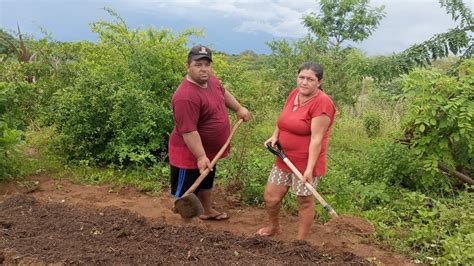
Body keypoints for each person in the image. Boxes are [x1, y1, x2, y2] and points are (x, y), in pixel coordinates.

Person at [168, 44, 250, 221]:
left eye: (207, 64)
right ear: (187, 66)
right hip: (189, 154)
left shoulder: (211, 80)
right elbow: (189, 132)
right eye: (198, 64)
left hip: (209, 151)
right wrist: (200, 156)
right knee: (186, 192)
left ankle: (206, 210)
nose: (204, 69)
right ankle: (181, 227)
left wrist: (238, 108)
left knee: (206, 182)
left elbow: (223, 93)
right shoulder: (185, 97)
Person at [257, 62, 336, 240]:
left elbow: (317, 140)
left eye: (310, 79)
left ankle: (300, 242)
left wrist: (309, 169)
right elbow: (283, 119)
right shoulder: (295, 94)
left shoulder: (322, 104)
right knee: (271, 197)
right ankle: (273, 227)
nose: (304, 82)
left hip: (306, 162)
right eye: (301, 77)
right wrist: (275, 136)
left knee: (304, 201)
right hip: (283, 157)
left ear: (319, 82)